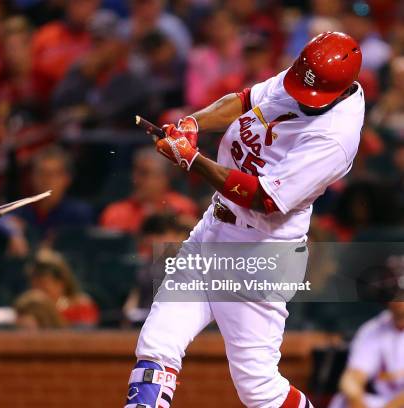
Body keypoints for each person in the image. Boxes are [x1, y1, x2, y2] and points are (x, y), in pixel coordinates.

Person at [124, 32, 364, 408]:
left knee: (258, 387)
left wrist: (192, 160)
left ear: (339, 90)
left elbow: (264, 199)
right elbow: (246, 100)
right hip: (215, 226)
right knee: (157, 342)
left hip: (260, 251)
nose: (299, 93)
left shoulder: (335, 136)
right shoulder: (313, 73)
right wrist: (193, 123)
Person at [52, 10, 155, 126]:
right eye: (94, 41)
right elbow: (58, 103)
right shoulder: (83, 68)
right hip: (89, 137)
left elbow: (113, 110)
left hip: (128, 137)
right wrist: (83, 78)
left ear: (119, 42)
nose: (97, 48)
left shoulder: (133, 67)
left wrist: (85, 112)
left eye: (102, 41)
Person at [100, 146, 197, 234]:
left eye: (144, 173)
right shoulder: (115, 213)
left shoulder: (183, 208)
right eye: (135, 172)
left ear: (164, 178)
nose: (135, 179)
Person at [328, 302, 404, 408]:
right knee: (342, 400)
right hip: (382, 400)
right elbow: (351, 379)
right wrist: (358, 401)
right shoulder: (375, 327)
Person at [14, 146, 92, 240]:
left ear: (67, 179)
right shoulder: (19, 212)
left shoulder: (79, 214)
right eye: (41, 173)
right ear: (32, 177)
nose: (46, 180)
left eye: (53, 174)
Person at [31, 0, 99, 98]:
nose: (82, 9)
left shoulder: (101, 40)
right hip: (46, 101)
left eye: (87, 3)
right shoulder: (45, 36)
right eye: (77, 3)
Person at [26, 248, 98, 327]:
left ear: (61, 283)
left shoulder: (81, 306)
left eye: (42, 284)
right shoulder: (29, 310)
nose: (37, 291)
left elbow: (84, 335)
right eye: (34, 284)